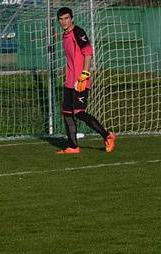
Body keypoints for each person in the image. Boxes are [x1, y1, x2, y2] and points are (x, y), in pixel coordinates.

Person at [55, 7, 116, 154]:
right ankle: (73, 146)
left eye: (66, 18)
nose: (64, 21)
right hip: (69, 81)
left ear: (72, 18)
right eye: (61, 19)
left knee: (78, 112)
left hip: (81, 79)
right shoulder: (65, 35)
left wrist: (85, 74)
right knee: (67, 113)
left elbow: (88, 52)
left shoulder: (78, 32)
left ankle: (107, 135)